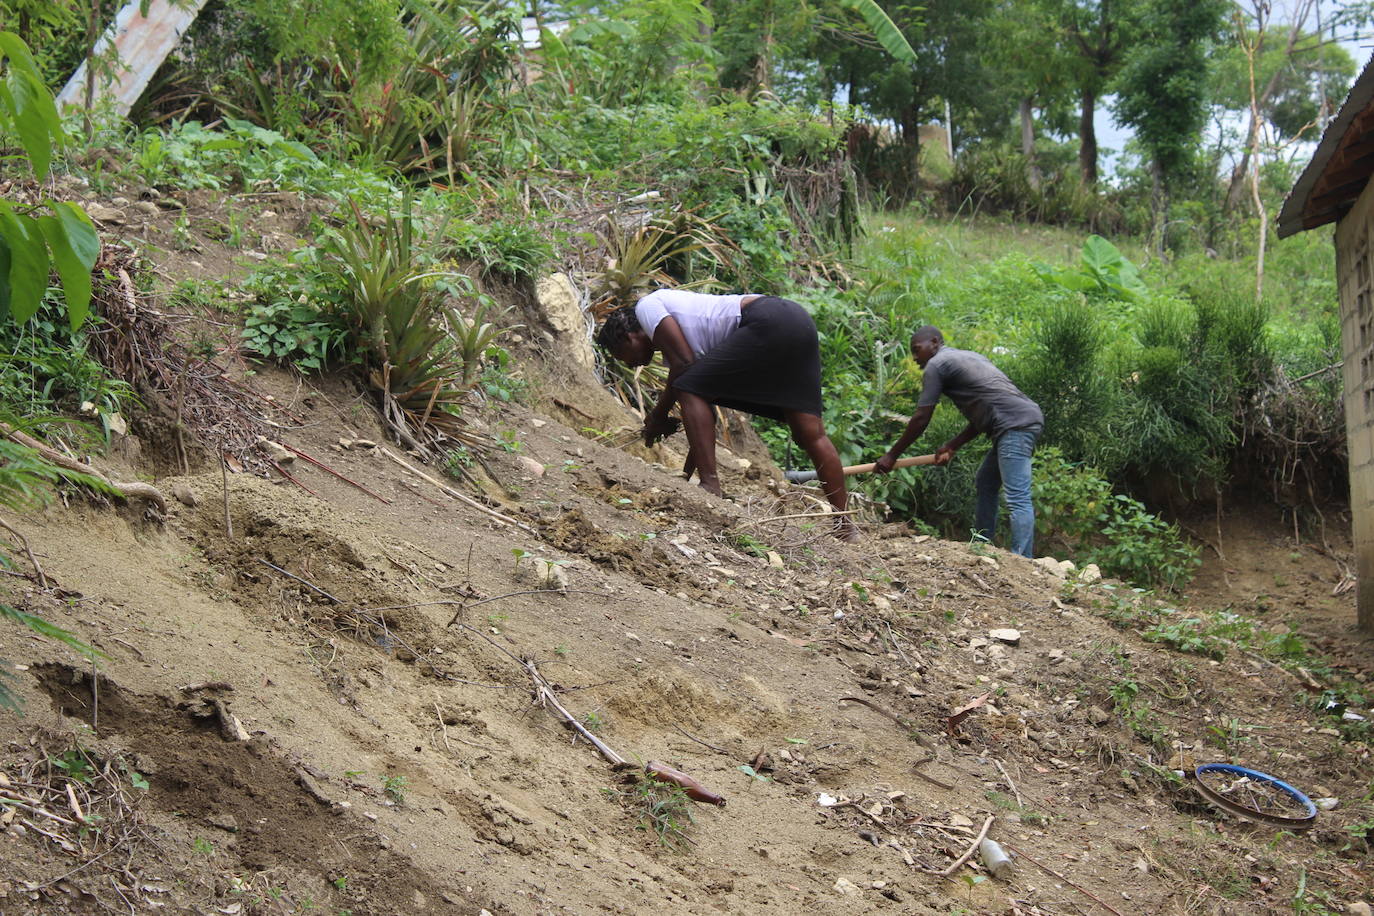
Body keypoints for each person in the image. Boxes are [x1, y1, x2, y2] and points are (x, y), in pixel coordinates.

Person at [596, 289, 855, 540]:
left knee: (686, 386)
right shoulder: (687, 341)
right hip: (798, 321)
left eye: (621, 356)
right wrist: (685, 476)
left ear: (628, 336)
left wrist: (658, 416)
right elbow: (700, 405)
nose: (628, 364)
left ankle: (710, 485)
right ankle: (845, 525)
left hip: (768, 319)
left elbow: (684, 366)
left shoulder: (647, 307)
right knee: (810, 433)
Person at [875, 325, 1043, 557]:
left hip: (1015, 425)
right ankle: (982, 544)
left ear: (935, 342)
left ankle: (1023, 560)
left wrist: (892, 455)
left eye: (917, 349)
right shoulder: (969, 357)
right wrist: (953, 445)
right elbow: (981, 418)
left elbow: (922, 417)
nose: (914, 357)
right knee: (986, 482)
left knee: (1017, 497)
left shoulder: (936, 364)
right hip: (1018, 421)